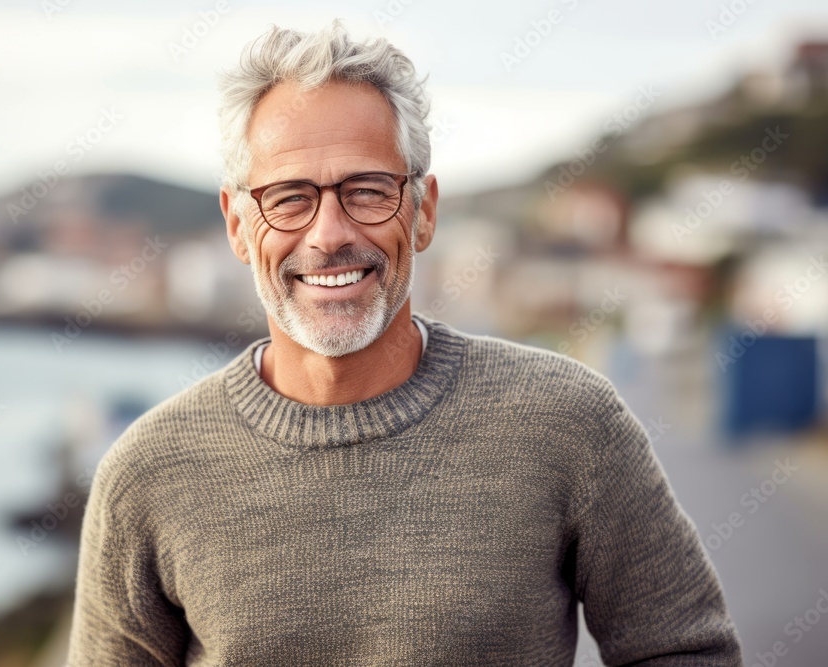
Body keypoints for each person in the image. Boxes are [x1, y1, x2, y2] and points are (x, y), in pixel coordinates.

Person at [66, 20, 744, 666]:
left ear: (423, 211)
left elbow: (684, 650)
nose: (329, 233)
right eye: (290, 197)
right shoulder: (146, 474)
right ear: (239, 225)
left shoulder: (568, 421)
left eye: (366, 190)